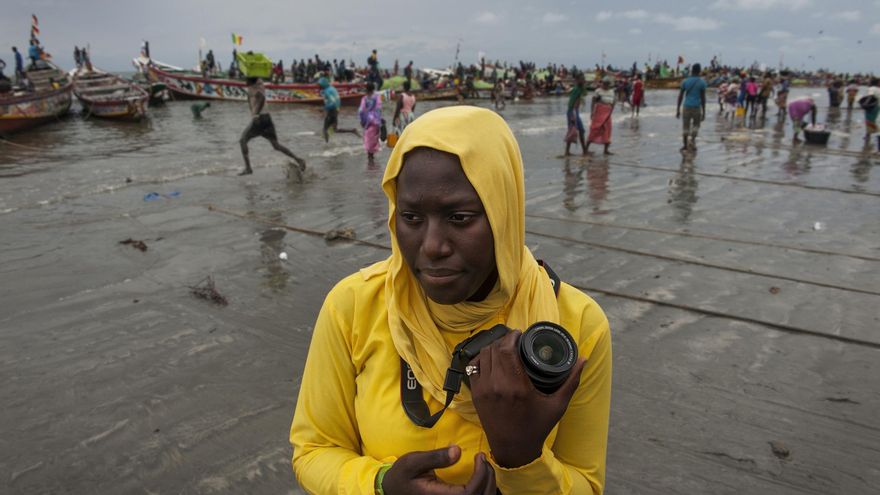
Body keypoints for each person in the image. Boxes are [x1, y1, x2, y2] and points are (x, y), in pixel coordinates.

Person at [290, 106, 612, 494]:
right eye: (411, 218)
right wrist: (380, 485)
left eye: (459, 218)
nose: (431, 247)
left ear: (503, 213)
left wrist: (521, 458)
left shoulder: (574, 326)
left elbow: (587, 482)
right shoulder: (354, 306)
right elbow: (314, 450)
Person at [238, 77, 306, 176]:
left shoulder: (255, 87)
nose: (245, 81)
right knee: (276, 145)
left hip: (260, 119)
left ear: (251, 80)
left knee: (242, 140)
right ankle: (298, 159)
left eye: (247, 79)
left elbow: (261, 98)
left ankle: (248, 168)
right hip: (267, 118)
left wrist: (255, 114)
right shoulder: (257, 86)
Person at [675, 63, 707, 151]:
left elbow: (680, 96)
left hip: (686, 106)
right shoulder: (702, 82)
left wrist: (677, 109)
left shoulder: (685, 81)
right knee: (696, 126)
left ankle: (685, 145)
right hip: (697, 107)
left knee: (685, 126)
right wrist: (704, 111)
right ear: (699, 71)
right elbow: (703, 98)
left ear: (691, 70)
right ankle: (692, 141)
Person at [318, 76, 359, 142]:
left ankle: (326, 146)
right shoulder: (332, 88)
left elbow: (333, 102)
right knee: (334, 130)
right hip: (336, 110)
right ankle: (352, 130)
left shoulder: (327, 91)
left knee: (325, 130)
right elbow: (338, 100)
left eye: (320, 85)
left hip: (331, 111)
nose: (319, 87)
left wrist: (324, 108)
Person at [585, 76, 616, 155]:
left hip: (608, 113)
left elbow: (613, 102)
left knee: (607, 130)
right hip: (599, 112)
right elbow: (593, 102)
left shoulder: (612, 92)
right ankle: (586, 148)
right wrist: (592, 112)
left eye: (607, 84)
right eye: (604, 83)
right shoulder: (598, 91)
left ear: (609, 84)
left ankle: (606, 150)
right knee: (595, 129)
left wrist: (611, 111)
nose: (605, 85)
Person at [358, 82, 383, 164]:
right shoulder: (376, 98)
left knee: (368, 140)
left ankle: (370, 162)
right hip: (375, 121)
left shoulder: (364, 99)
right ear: (373, 89)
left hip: (367, 122)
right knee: (374, 140)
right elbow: (378, 109)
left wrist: (362, 121)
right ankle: (372, 162)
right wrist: (379, 120)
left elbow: (361, 111)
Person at [564, 74, 587, 156]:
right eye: (582, 79)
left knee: (580, 130)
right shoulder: (576, 89)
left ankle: (584, 150)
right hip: (572, 111)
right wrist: (573, 114)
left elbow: (584, 94)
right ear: (577, 81)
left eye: (584, 79)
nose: (584, 81)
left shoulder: (580, 89)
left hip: (574, 111)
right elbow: (572, 103)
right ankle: (567, 151)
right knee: (573, 130)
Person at [860, 78, 879, 149]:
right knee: (872, 121)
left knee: (869, 121)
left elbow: (870, 96)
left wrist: (865, 104)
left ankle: (868, 135)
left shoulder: (872, 88)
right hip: (877, 107)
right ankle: (869, 134)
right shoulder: (878, 89)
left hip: (872, 107)